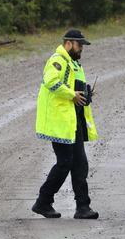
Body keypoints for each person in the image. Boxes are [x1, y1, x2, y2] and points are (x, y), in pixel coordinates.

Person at [32, 29, 99, 219]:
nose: (81, 50)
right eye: (79, 45)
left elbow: (75, 89)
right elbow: (50, 81)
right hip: (59, 123)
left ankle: (83, 207)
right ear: (68, 43)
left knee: (80, 164)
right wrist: (72, 95)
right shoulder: (58, 60)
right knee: (64, 163)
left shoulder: (75, 64)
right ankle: (43, 201)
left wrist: (85, 95)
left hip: (73, 123)